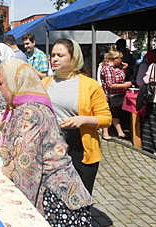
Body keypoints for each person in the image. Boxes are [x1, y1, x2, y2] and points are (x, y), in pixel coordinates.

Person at [0, 59, 93, 227]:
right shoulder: (22, 107)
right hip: (54, 194)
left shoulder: (30, 112)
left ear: (16, 82)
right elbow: (19, 149)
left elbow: (25, 166)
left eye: (1, 83)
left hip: (56, 201)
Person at [42, 39, 112, 194]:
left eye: (60, 55)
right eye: (53, 55)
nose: (54, 59)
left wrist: (83, 119)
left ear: (74, 58)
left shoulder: (90, 85)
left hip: (79, 147)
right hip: (51, 147)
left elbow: (106, 118)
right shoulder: (45, 82)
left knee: (79, 198)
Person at [99, 48, 132, 140]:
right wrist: (125, 85)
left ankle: (120, 132)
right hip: (110, 95)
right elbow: (111, 85)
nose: (121, 60)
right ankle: (105, 133)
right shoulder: (107, 69)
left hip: (117, 95)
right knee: (108, 113)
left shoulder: (116, 68)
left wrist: (124, 69)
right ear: (115, 59)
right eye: (120, 58)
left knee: (115, 114)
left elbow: (120, 77)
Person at [141, 61, 156, 154]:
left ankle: (152, 147)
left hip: (155, 99)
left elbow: (146, 80)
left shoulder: (154, 66)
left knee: (153, 123)